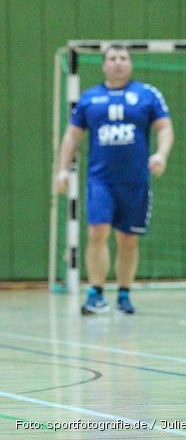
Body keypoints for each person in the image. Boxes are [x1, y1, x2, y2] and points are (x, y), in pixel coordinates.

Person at [54, 45, 174, 315]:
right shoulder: (89, 98)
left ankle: (124, 293)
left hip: (135, 181)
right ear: (104, 65)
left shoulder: (147, 95)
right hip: (101, 181)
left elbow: (164, 127)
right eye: (112, 58)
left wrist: (161, 154)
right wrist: (62, 170)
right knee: (97, 231)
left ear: (130, 63)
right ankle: (96, 293)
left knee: (128, 238)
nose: (118, 63)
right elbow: (72, 135)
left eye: (123, 58)